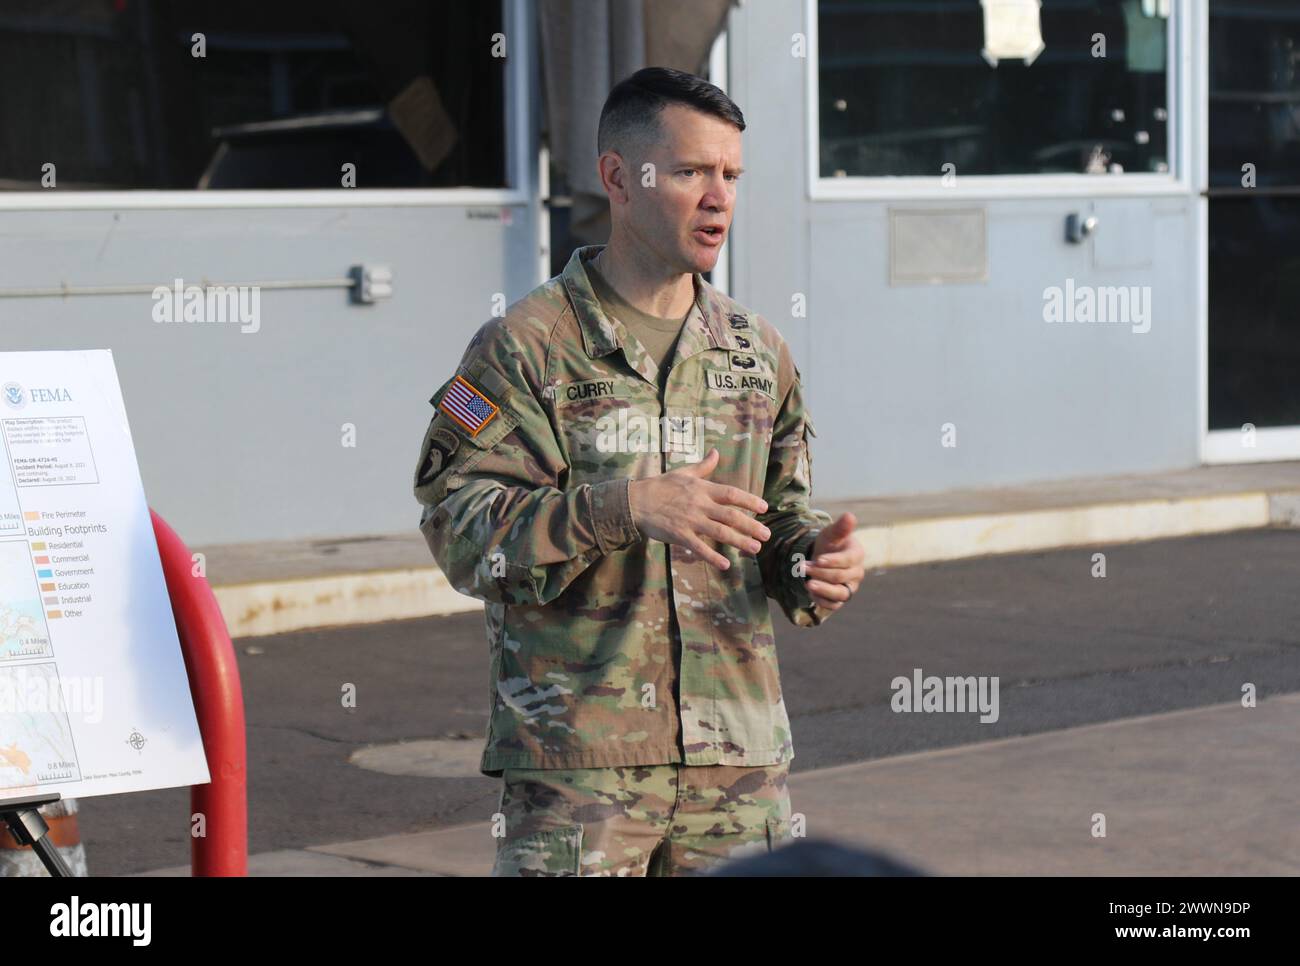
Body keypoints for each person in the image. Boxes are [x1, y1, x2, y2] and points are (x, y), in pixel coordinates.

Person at [412, 66, 865, 876]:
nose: (718, 196)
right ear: (618, 176)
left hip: (737, 761)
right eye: (691, 171)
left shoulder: (756, 352)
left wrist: (811, 564)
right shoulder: (524, 348)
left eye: (730, 175)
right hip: (582, 765)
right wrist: (622, 507)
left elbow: (779, 518)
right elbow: (459, 530)